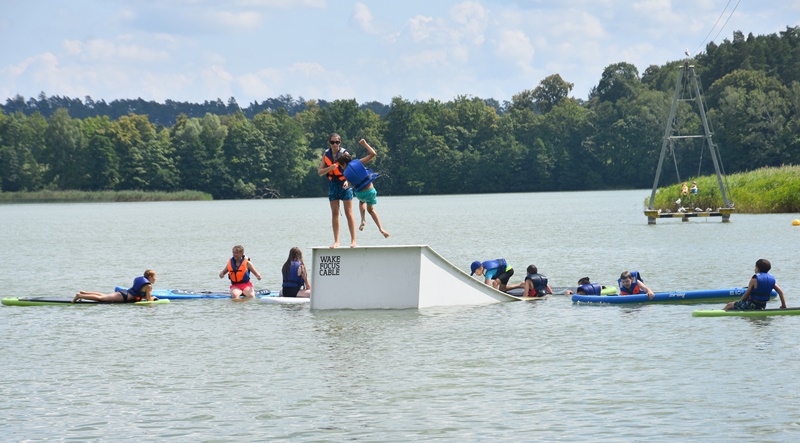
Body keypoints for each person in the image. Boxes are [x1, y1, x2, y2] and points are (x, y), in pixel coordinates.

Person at [335, 138, 390, 239]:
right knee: (371, 210)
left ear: (344, 164)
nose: (341, 168)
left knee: (361, 201)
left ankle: (363, 219)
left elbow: (352, 185)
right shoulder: (358, 162)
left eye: (341, 166)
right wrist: (365, 144)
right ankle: (381, 228)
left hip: (360, 194)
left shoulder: (345, 173)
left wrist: (346, 183)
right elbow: (373, 154)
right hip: (371, 191)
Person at [318, 133, 356, 248]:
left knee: (348, 212)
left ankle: (353, 240)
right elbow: (320, 172)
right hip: (333, 184)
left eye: (337, 142)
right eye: (332, 142)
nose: (335, 144)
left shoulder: (345, 154)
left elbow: (352, 169)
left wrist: (347, 181)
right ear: (329, 143)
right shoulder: (326, 154)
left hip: (344, 183)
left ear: (340, 142)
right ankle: (336, 241)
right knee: (335, 212)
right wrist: (330, 168)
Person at [73, 269, 157, 303]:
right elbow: (149, 300)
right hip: (124, 297)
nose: (155, 279)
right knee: (102, 299)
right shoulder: (148, 286)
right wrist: (153, 298)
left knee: (104, 295)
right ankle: (80, 296)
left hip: (124, 292)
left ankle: (85, 293)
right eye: (154, 277)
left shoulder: (141, 279)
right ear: (150, 277)